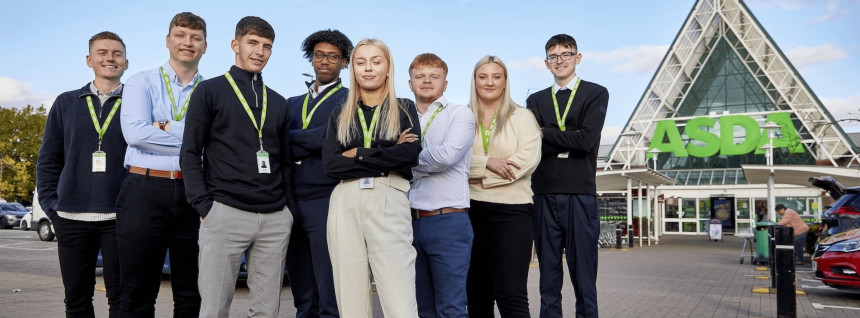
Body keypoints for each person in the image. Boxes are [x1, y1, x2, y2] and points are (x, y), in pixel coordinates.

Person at [180, 16, 294, 317]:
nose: (260, 51)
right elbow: (190, 152)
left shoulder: (279, 103)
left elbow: (284, 161)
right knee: (215, 310)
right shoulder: (209, 91)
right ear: (236, 44)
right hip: (225, 213)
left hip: (274, 219)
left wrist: (288, 210)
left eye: (267, 46)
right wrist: (204, 206)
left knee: (267, 311)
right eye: (252, 43)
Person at [322, 38, 421, 317]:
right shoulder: (340, 113)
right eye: (360, 62)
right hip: (345, 200)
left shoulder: (404, 108)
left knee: (399, 298)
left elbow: (409, 155)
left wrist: (358, 154)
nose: (368, 68)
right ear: (352, 68)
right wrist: (387, 151)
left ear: (388, 68)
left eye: (376, 61)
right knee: (350, 298)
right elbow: (330, 165)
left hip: (388, 196)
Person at [117, 12, 206, 317]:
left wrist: (166, 126)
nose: (187, 43)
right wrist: (194, 140)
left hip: (193, 192)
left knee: (191, 292)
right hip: (143, 189)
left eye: (195, 38)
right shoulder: (140, 81)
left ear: (205, 47)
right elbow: (136, 134)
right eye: (180, 35)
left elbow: (217, 144)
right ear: (168, 41)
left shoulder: (212, 92)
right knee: (137, 291)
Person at [36, 31, 128, 318]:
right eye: (102, 52)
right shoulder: (66, 103)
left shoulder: (138, 104)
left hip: (120, 220)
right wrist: (53, 208)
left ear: (126, 62)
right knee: (76, 302)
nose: (109, 58)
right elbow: (49, 159)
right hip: (71, 219)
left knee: (122, 301)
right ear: (89, 60)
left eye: (116, 53)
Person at [526, 34, 609, 318]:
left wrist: (548, 133)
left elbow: (587, 140)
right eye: (553, 56)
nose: (559, 60)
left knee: (584, 275)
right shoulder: (535, 99)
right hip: (544, 192)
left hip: (580, 193)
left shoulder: (596, 93)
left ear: (578, 58)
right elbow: (533, 144)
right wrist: (567, 137)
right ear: (546, 63)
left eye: (566, 54)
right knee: (548, 275)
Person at [466, 55, 541, 318]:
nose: (489, 82)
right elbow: (452, 162)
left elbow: (523, 164)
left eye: (496, 77)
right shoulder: (462, 118)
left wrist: (476, 176)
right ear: (474, 81)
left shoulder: (523, 117)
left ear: (505, 81)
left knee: (511, 295)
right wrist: (488, 162)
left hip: (513, 213)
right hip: (470, 212)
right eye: (482, 76)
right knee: (476, 295)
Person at [286, 29, 353, 318]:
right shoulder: (290, 103)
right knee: (301, 285)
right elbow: (275, 144)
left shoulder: (350, 101)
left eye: (333, 56)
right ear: (311, 59)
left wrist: (291, 138)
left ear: (344, 63)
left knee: (328, 284)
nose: (325, 61)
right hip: (289, 200)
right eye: (319, 55)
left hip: (327, 198)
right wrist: (312, 140)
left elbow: (332, 140)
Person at [406, 53, 476, 317]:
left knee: (451, 308)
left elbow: (446, 157)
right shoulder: (401, 117)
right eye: (420, 76)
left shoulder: (460, 114)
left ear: (445, 84)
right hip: (408, 223)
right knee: (421, 308)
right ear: (410, 83)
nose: (426, 81)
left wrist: (403, 156)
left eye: (434, 76)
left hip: (447, 222)